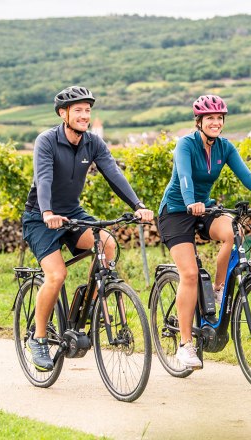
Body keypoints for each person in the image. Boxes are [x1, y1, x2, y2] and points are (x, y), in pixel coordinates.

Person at [22, 85, 153, 372]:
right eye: (78, 110)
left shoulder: (93, 143)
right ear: (63, 113)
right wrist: (46, 212)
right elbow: (43, 179)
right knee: (57, 274)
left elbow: (113, 174)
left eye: (88, 111)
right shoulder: (46, 141)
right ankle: (39, 337)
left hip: (73, 214)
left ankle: (89, 308)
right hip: (40, 217)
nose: (84, 116)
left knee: (107, 243)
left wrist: (137, 205)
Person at [157, 94, 251, 369]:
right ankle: (185, 345)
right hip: (177, 211)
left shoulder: (225, 148)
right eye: (210, 118)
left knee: (234, 231)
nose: (215, 122)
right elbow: (184, 176)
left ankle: (217, 289)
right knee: (189, 274)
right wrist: (191, 201)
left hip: (204, 208)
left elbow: (246, 175)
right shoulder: (185, 145)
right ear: (199, 121)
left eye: (219, 118)